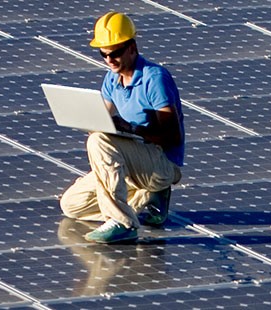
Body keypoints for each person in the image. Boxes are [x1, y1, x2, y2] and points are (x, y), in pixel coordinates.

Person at [59, 12, 186, 244]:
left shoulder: (154, 78)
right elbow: (101, 119)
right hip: (130, 164)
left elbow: (172, 137)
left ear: (132, 47)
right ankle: (145, 199)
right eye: (103, 54)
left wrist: (131, 129)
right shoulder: (111, 79)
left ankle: (123, 222)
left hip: (161, 164)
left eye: (115, 52)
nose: (109, 59)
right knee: (71, 205)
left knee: (98, 142)